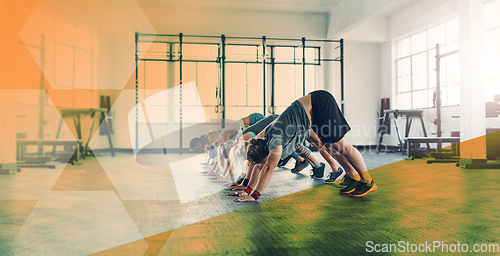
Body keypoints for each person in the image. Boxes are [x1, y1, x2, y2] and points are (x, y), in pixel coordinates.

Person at [235, 90, 376, 202]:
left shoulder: (275, 142)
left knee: (340, 145)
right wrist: (248, 189)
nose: (264, 163)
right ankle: (354, 177)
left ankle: (368, 181)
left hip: (319, 103)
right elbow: (258, 166)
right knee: (330, 146)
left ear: (266, 152)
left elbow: (267, 169)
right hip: (311, 111)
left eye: (264, 160)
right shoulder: (262, 139)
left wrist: (254, 196)